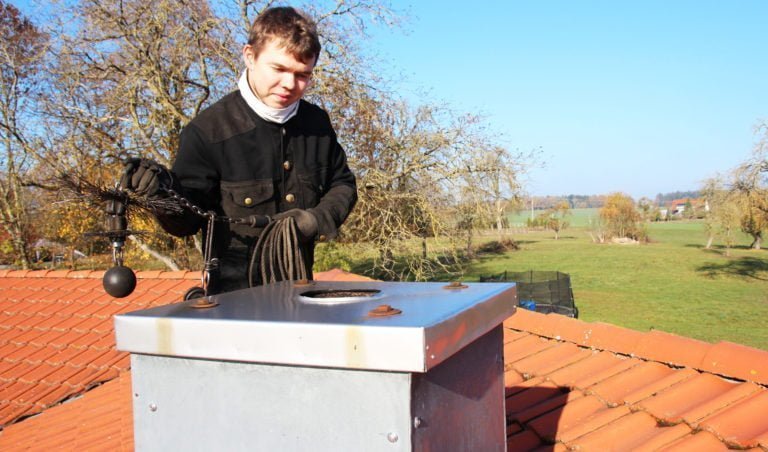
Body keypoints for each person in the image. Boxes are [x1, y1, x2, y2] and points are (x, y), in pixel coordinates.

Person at [121, 6, 357, 294]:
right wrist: (161, 195)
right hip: (231, 302)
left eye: (302, 75)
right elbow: (186, 222)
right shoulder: (207, 131)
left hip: (300, 292)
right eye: (279, 69)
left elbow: (342, 184)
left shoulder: (316, 124)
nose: (290, 84)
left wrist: (315, 220)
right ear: (249, 56)